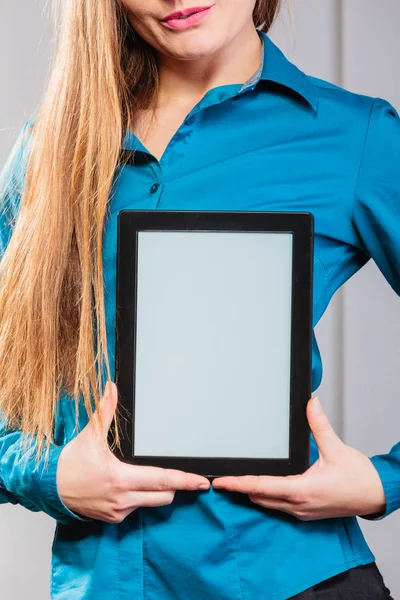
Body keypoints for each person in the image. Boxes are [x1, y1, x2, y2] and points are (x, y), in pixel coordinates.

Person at [0, 0, 398, 598]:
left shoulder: (356, 138)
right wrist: (50, 477)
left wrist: (381, 484)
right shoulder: (46, 155)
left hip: (292, 579)